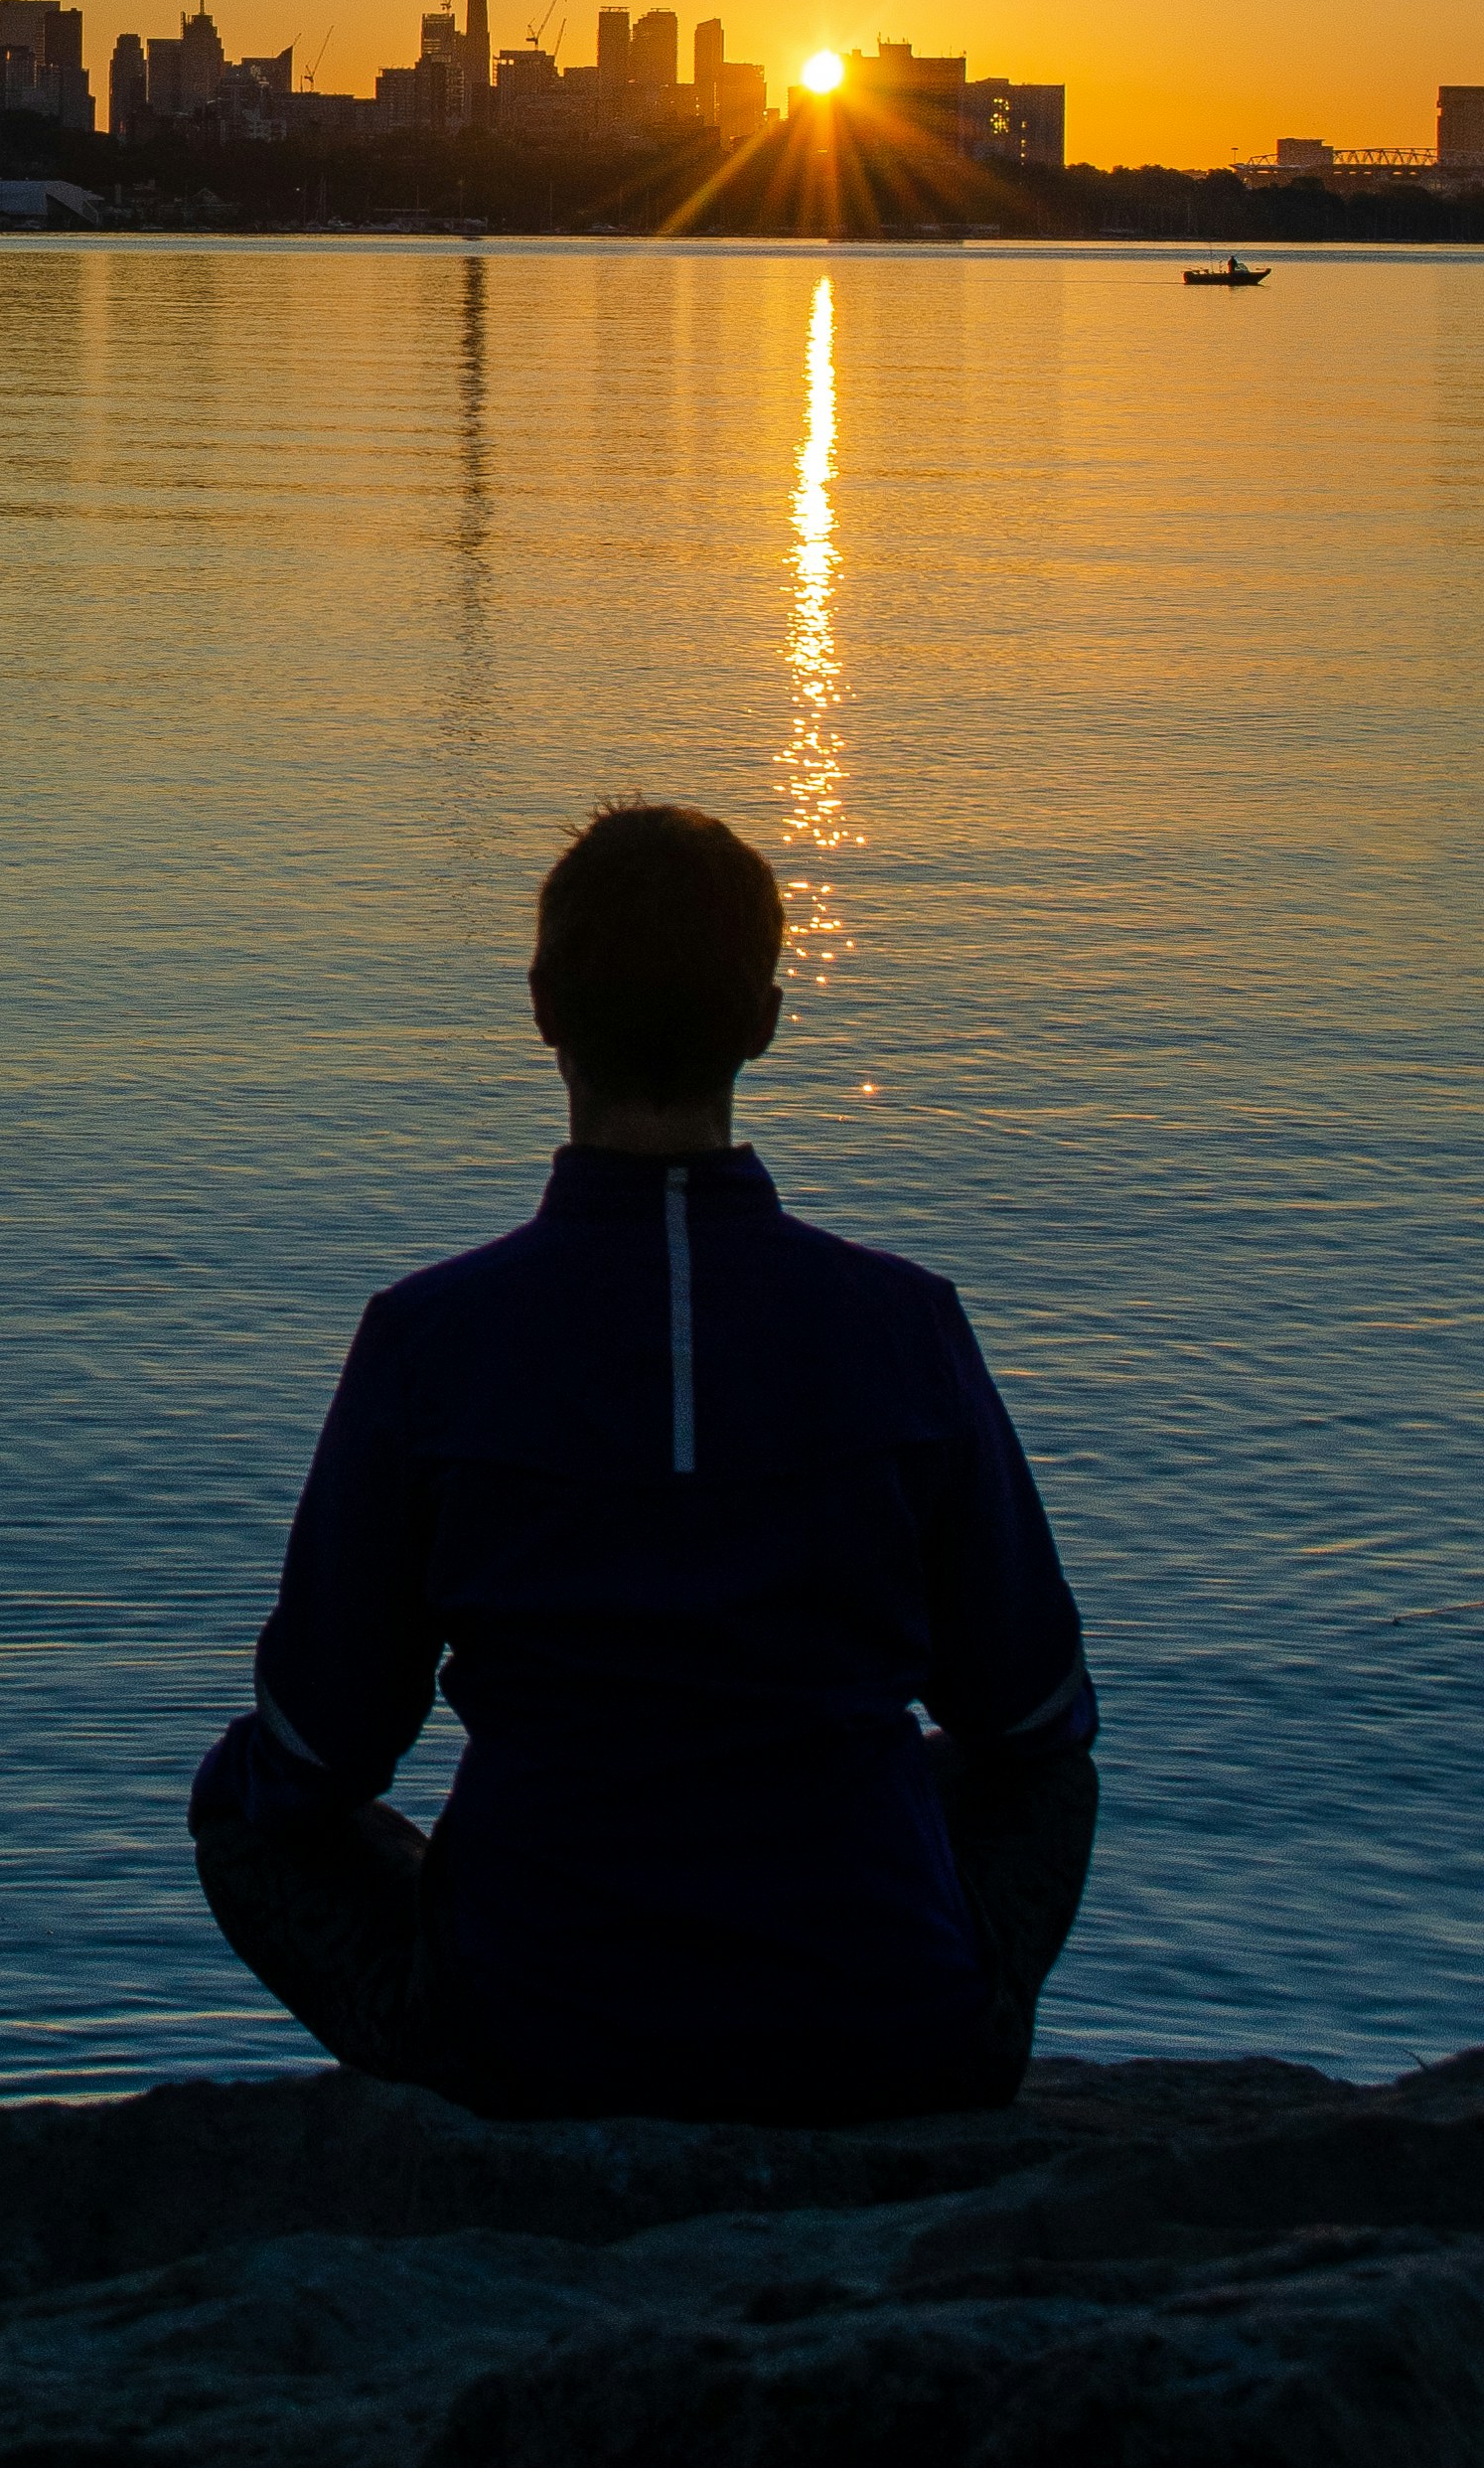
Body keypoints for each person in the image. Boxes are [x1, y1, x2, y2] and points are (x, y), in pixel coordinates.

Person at [191, 802, 1098, 2123]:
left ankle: (495, 2060)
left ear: (543, 1009)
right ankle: (905, 2012)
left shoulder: (430, 1342)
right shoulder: (906, 1329)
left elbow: (319, 1746)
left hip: (529, 2044)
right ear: (765, 1021)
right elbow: (1032, 1712)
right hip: (882, 2037)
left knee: (241, 1817)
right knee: (1031, 1778)